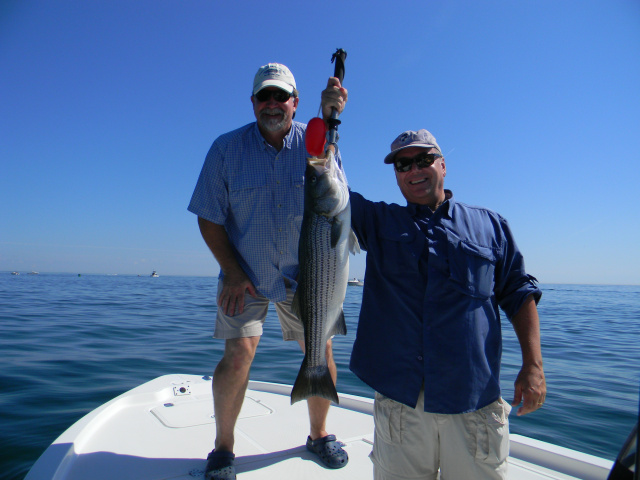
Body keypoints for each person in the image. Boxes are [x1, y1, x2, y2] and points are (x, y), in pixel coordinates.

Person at [346, 127, 547, 479]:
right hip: (401, 402)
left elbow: (518, 293)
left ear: (442, 164)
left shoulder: (490, 225)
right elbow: (318, 183)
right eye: (402, 165)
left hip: (473, 401)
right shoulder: (377, 221)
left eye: (423, 160)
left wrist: (534, 365)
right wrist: (329, 119)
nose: (413, 171)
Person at [188, 63, 349, 480]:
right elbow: (209, 218)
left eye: (282, 96)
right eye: (265, 96)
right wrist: (232, 271)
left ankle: (318, 435)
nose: (273, 103)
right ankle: (223, 450)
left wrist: (329, 112)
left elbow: (324, 150)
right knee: (238, 353)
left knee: (321, 350)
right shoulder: (225, 150)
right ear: (253, 103)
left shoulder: (315, 149)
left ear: (295, 103)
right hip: (246, 272)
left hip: (307, 275)